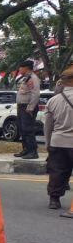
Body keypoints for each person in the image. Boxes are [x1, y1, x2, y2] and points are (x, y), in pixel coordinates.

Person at [43, 65, 73, 210]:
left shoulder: (53, 101)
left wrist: (48, 143)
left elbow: (48, 126)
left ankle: (54, 200)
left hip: (58, 141)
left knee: (57, 172)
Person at [15, 59, 40, 159]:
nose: (19, 69)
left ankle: (33, 152)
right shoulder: (26, 78)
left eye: (21, 67)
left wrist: (30, 107)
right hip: (21, 106)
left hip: (28, 107)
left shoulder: (33, 78)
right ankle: (26, 149)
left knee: (28, 129)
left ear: (26, 68)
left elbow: (35, 94)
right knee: (22, 129)